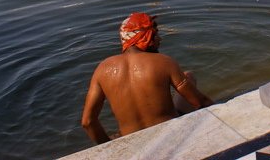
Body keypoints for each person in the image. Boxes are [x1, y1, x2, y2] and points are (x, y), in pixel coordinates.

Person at [81, 12, 213, 144]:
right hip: (170, 135)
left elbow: (88, 122)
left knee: (118, 134)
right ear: (146, 37)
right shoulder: (163, 62)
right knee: (188, 76)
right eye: (155, 34)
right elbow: (200, 102)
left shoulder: (102, 69)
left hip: (132, 142)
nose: (159, 39)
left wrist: (109, 146)